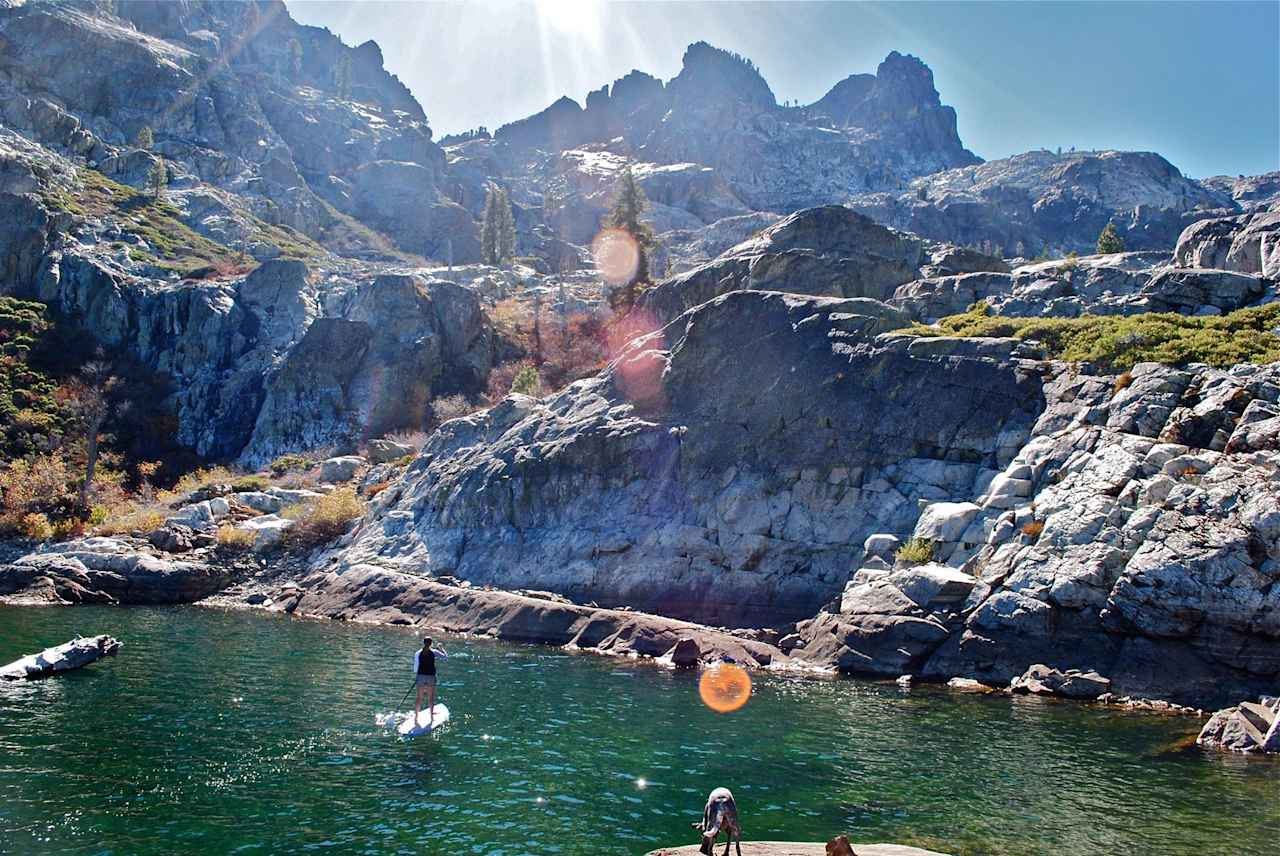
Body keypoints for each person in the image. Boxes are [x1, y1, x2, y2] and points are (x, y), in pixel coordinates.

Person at [413, 636, 448, 725]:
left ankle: (416, 717)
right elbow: (445, 658)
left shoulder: (418, 652)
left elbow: (416, 667)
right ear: (431, 643)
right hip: (430, 677)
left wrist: (417, 677)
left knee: (419, 698)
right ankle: (431, 718)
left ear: (423, 643)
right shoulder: (434, 652)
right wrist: (441, 648)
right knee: (431, 698)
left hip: (420, 676)